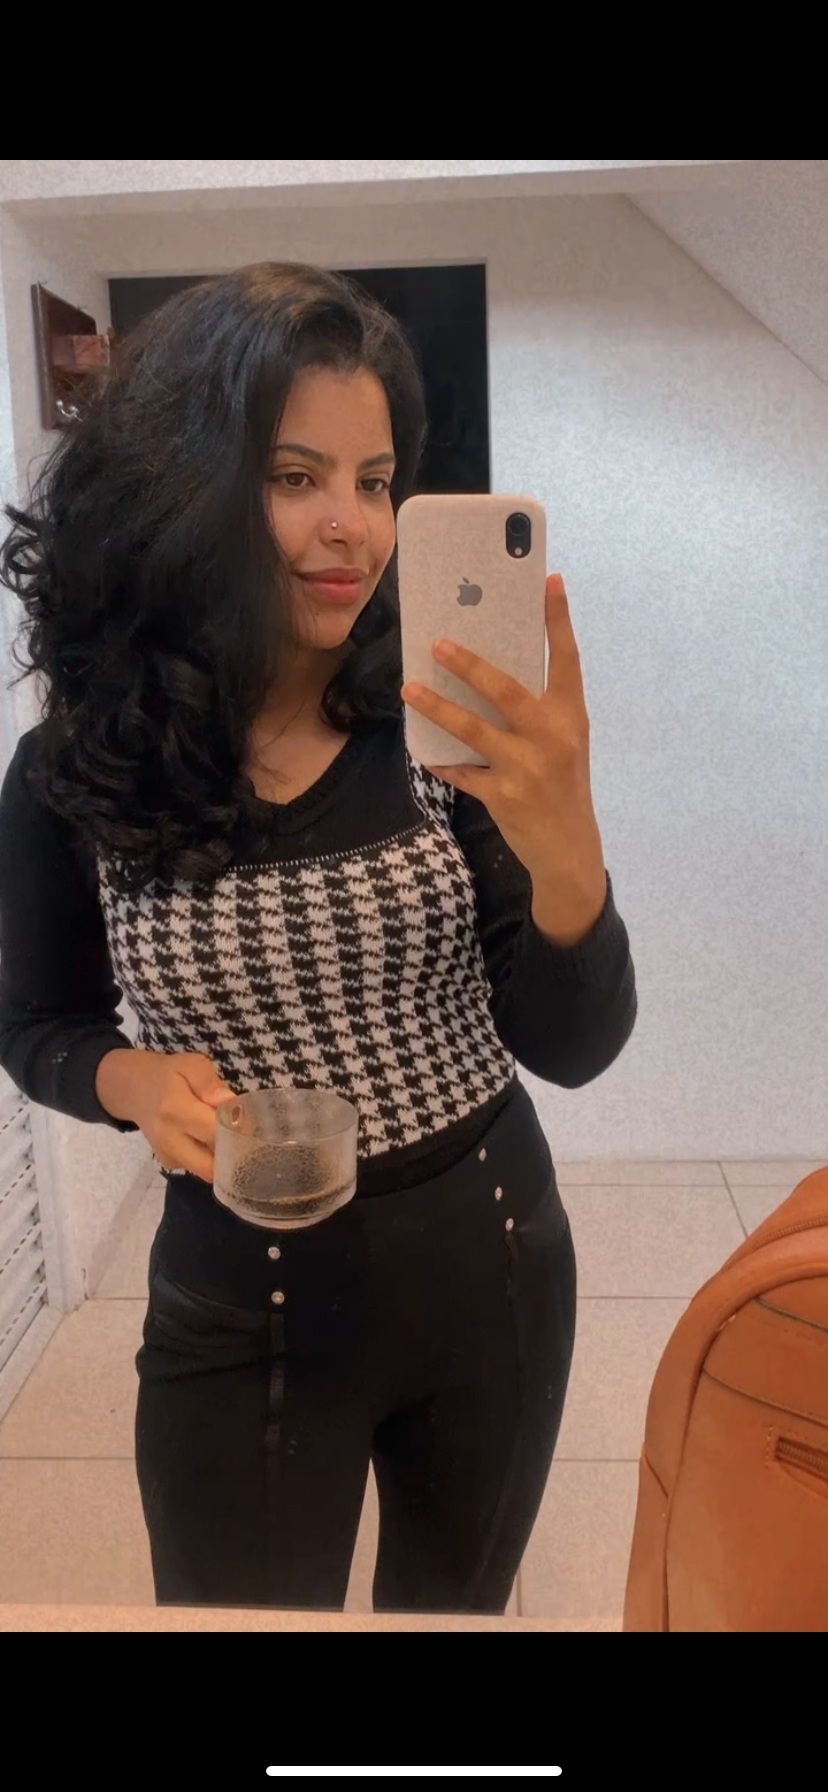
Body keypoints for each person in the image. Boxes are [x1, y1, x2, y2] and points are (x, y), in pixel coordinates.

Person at [0, 263, 637, 1613]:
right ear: (184, 486)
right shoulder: (78, 768)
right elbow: (34, 1024)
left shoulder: (438, 734)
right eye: (294, 477)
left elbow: (574, 1047)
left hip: (492, 1257)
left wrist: (569, 848)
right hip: (240, 1289)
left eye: (375, 479)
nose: (351, 525)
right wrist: (130, 1081)